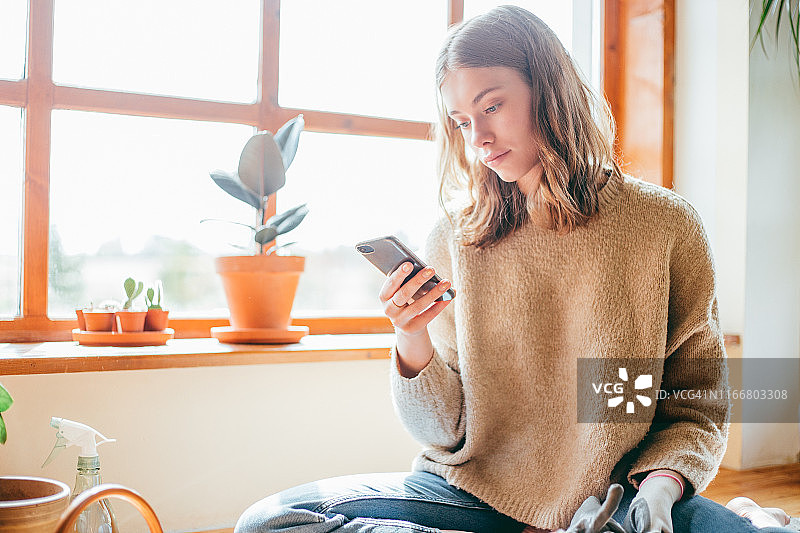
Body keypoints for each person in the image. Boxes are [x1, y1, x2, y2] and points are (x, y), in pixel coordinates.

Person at [234, 6, 795, 533]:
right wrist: (411, 339)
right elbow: (445, 432)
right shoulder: (456, 238)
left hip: (616, 502)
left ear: (549, 92)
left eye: (492, 106)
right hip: (473, 493)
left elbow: (693, 404)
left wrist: (660, 488)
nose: (477, 139)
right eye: (459, 121)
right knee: (272, 521)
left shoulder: (663, 226)